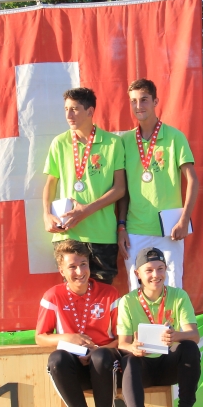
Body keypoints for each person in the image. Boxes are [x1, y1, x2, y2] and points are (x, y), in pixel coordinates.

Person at [35, 240, 123, 407]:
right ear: (62, 270)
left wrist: (97, 350)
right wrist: (68, 338)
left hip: (105, 366)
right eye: (72, 267)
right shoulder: (52, 296)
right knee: (56, 359)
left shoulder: (109, 293)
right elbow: (40, 337)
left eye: (83, 264)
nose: (79, 271)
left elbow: (123, 337)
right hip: (74, 367)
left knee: (101, 357)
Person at [117, 247, 201, 407]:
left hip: (168, 365)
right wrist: (133, 348)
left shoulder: (178, 295)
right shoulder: (127, 301)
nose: (156, 275)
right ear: (137, 274)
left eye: (160, 269)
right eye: (149, 270)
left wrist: (176, 336)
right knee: (129, 360)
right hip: (143, 367)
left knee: (189, 347)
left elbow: (194, 334)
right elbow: (122, 343)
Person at [117, 78, 198, 290]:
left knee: (172, 290)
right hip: (135, 230)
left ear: (155, 101)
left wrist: (184, 219)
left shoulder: (174, 137)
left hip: (170, 229)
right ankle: (140, 327)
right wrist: (121, 226)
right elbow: (123, 191)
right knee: (137, 293)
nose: (138, 106)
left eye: (144, 100)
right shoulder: (125, 142)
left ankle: (171, 326)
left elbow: (192, 181)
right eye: (134, 101)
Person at [43, 87, 125, 284]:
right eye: (66, 109)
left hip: (102, 234)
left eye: (75, 109)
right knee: (74, 296)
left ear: (90, 112)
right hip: (68, 233)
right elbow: (50, 183)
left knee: (102, 296)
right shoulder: (59, 142)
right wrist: (46, 214)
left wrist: (85, 211)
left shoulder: (113, 143)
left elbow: (120, 188)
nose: (69, 115)